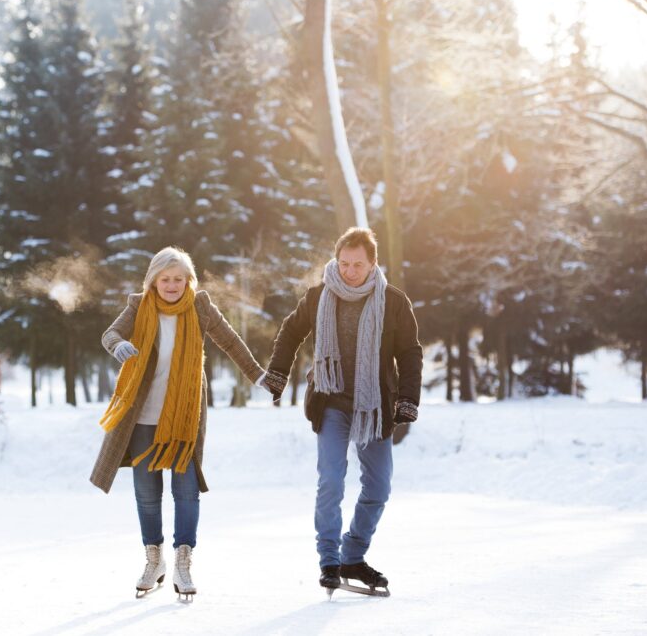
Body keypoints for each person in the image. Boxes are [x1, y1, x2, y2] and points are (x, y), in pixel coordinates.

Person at [91, 246, 265, 601]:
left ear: (189, 281)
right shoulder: (138, 306)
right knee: (147, 493)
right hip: (143, 416)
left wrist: (257, 375)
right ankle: (153, 560)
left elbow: (230, 341)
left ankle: (183, 561)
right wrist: (120, 345)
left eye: (178, 279)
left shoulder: (199, 306)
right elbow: (109, 334)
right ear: (153, 280)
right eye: (165, 279)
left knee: (185, 490)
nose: (171, 285)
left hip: (185, 416)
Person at [259, 227, 423, 597]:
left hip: (375, 406)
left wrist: (407, 400)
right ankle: (330, 560)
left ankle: (353, 555)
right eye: (344, 263)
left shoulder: (393, 302)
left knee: (378, 488)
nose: (350, 271)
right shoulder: (319, 296)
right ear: (336, 261)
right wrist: (278, 373)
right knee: (331, 480)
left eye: (357, 265)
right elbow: (290, 331)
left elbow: (410, 353)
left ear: (372, 264)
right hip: (331, 401)